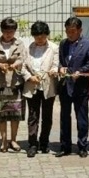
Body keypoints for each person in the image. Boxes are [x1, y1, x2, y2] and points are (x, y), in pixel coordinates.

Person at [56, 17, 89, 158]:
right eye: (67, 31)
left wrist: (81, 71)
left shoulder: (88, 44)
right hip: (66, 86)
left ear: (80, 30)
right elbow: (61, 61)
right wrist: (61, 68)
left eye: (72, 31)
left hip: (81, 87)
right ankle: (65, 146)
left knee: (82, 118)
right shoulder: (63, 44)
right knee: (64, 118)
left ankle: (82, 146)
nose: (69, 34)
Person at [21, 21, 59, 158]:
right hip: (32, 86)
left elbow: (55, 64)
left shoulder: (54, 48)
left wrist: (54, 71)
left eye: (42, 37)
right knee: (33, 116)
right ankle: (32, 144)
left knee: (47, 116)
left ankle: (44, 142)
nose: (40, 39)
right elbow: (23, 66)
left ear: (47, 35)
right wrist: (29, 77)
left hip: (48, 86)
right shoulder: (28, 48)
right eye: (37, 37)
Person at [0, 18, 26, 153]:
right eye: (6, 31)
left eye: (11, 31)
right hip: (0, 83)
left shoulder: (19, 43)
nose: (9, 34)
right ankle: (3, 140)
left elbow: (23, 58)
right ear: (2, 30)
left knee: (15, 112)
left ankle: (14, 139)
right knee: (1, 112)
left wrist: (16, 64)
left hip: (15, 82)